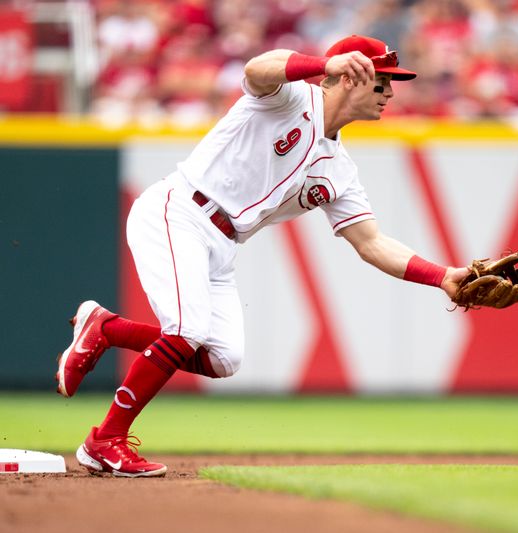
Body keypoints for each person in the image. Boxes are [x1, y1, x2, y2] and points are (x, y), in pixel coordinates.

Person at [56, 34, 470, 478]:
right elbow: (257, 68)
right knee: (187, 329)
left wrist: (443, 276)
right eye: (382, 82)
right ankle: (105, 440)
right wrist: (321, 64)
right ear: (351, 76)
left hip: (223, 244)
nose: (389, 93)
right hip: (180, 212)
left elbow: (371, 242)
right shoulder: (292, 97)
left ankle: (107, 328)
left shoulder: (340, 169)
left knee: (223, 359)